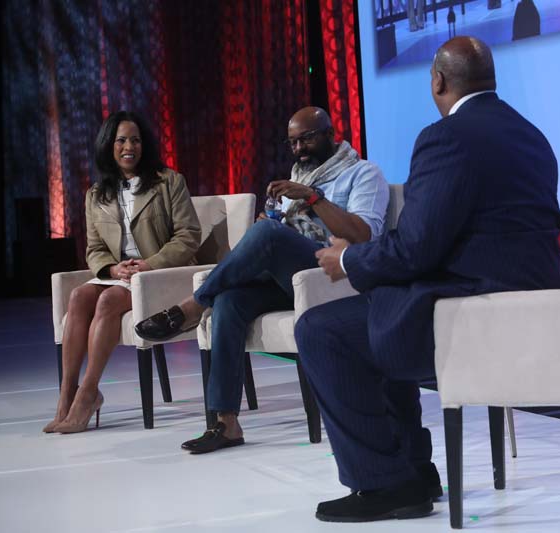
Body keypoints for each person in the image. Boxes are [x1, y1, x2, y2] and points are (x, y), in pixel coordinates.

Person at [294, 36, 560, 522]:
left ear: (437, 81)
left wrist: (350, 260)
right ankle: (414, 472)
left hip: (477, 310)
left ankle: (385, 483)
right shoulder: (531, 134)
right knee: (380, 308)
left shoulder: (447, 137)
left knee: (321, 330)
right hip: (530, 307)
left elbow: (416, 248)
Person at [135, 107, 390, 454]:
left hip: (333, 275)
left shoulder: (363, 173)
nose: (298, 149)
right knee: (229, 300)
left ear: (331, 135)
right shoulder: (296, 178)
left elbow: (363, 236)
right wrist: (273, 222)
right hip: (290, 280)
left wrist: (312, 198)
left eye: (306, 139)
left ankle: (193, 305)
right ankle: (225, 423)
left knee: (267, 235)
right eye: (292, 142)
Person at [44, 111, 201, 434]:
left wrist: (150, 263)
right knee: (79, 296)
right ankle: (67, 394)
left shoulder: (169, 182)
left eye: (135, 140)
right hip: (120, 275)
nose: (129, 147)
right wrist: (113, 268)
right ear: (109, 145)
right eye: (121, 141)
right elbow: (94, 249)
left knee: (108, 301)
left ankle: (89, 393)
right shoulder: (96, 195)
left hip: (159, 274)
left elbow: (188, 236)